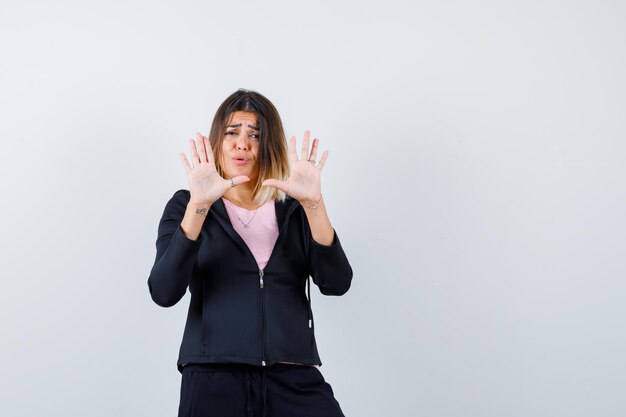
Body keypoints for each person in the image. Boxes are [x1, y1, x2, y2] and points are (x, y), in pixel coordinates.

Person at [147, 88, 353, 417]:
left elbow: (337, 282)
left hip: (292, 376)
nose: (242, 143)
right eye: (232, 132)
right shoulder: (185, 206)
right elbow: (163, 291)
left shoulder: (294, 211)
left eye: (254, 134)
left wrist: (314, 205)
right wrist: (200, 205)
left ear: (267, 146)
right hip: (213, 378)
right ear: (217, 141)